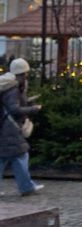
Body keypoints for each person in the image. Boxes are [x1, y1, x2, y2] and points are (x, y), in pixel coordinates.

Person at [0, 58, 42, 196]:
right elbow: (14, 109)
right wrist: (33, 109)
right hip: (10, 128)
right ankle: (26, 187)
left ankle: (26, 186)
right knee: (20, 156)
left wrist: (28, 102)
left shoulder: (9, 85)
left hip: (6, 127)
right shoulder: (13, 89)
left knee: (6, 158)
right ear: (22, 73)